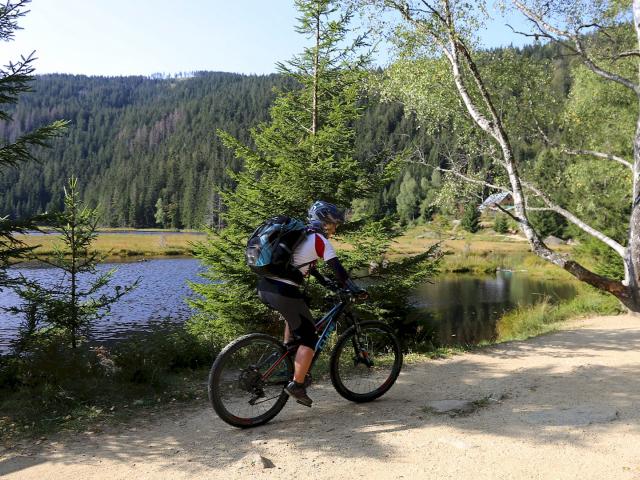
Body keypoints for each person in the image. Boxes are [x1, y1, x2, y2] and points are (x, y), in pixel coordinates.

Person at [256, 200, 366, 407]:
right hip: (283, 291)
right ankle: (297, 384)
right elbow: (338, 269)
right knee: (310, 338)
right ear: (324, 222)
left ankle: (288, 352)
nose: (334, 229)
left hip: (265, 287)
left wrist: (327, 284)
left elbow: (309, 268)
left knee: (298, 311)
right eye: (333, 225)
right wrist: (353, 288)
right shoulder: (320, 240)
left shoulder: (303, 236)